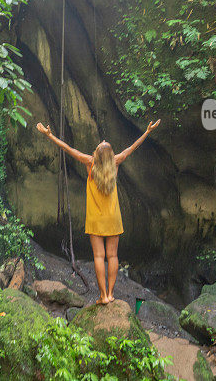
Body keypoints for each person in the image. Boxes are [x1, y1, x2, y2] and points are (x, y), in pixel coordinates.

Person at [36, 120, 161, 304]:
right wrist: (147, 132)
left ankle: (103, 296)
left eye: (102, 144)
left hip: (95, 219)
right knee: (112, 256)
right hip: (113, 218)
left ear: (98, 154)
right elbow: (132, 147)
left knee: (99, 256)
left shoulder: (90, 162)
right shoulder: (116, 162)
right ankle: (111, 294)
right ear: (110, 155)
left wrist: (49, 135)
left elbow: (68, 149)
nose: (102, 140)